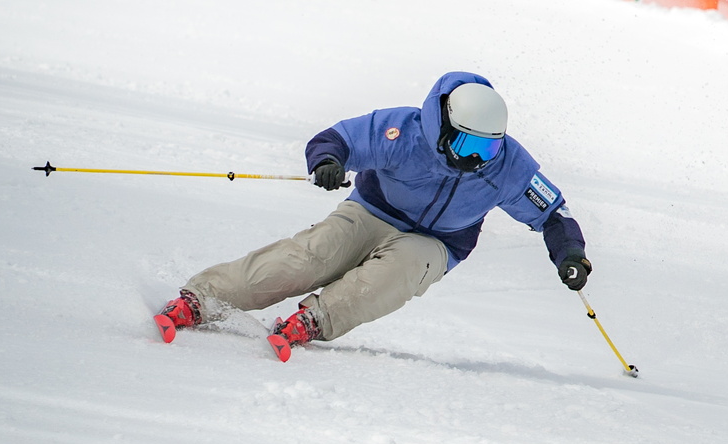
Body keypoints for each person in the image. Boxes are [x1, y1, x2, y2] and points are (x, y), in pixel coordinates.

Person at [154, 71, 592, 361]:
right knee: (311, 256)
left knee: (393, 276)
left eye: (488, 148)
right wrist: (327, 160)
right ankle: (203, 298)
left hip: (438, 241)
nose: (477, 160)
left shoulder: (508, 165)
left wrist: (570, 252)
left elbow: (553, 212)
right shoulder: (403, 130)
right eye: (467, 147)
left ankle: (313, 320)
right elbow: (337, 138)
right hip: (372, 211)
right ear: (445, 127)